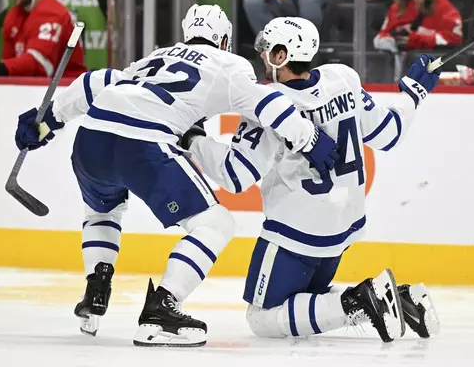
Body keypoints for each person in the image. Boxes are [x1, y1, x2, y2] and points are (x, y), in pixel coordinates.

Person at [13, 4, 339, 347]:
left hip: (91, 138)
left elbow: (97, 81)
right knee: (215, 224)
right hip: (143, 142)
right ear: (224, 40)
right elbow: (266, 103)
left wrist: (47, 120)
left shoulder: (159, 55)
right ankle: (162, 309)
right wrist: (308, 137)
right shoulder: (229, 64)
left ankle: (96, 287)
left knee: (102, 211)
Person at [178, 17, 441, 341]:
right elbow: (389, 132)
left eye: (267, 50)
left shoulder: (268, 104)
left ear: (280, 56)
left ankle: (360, 299)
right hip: (343, 227)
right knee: (307, 302)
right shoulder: (342, 78)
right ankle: (395, 300)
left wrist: (192, 141)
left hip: (294, 233)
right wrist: (413, 93)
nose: (261, 56)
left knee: (261, 318)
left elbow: (234, 176)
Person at [374, 0, 462, 52]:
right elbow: (381, 36)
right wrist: (393, 41)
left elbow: (455, 39)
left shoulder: (443, 7)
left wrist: (416, 39)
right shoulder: (396, 7)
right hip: (401, 66)